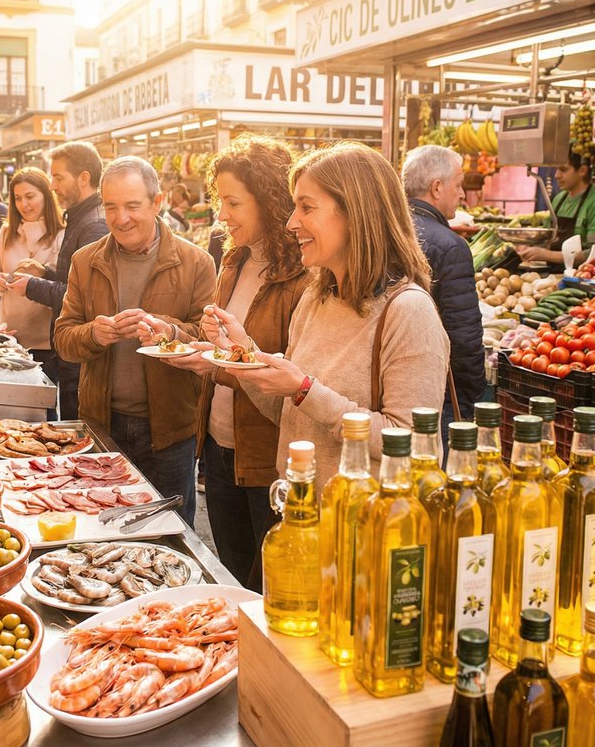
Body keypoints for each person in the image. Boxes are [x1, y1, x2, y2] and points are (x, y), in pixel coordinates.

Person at [217, 142, 451, 487]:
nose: (291, 223)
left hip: (361, 525)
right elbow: (292, 414)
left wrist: (306, 391)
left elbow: (416, 444)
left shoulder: (408, 312)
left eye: (306, 208)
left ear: (355, 212)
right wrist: (248, 359)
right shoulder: (316, 297)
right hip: (302, 514)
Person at [147, 134, 309, 588]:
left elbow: (290, 373)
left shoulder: (303, 277)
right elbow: (218, 342)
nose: (221, 215)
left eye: (233, 202)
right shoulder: (234, 260)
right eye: (221, 201)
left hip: (266, 459)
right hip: (219, 450)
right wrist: (174, 334)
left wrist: (216, 365)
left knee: (268, 588)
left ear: (270, 201)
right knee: (234, 579)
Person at [53, 156, 215, 525]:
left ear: (157, 204)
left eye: (132, 206)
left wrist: (168, 331)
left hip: (170, 432)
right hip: (102, 425)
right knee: (100, 529)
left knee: (169, 531)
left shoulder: (197, 263)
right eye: (111, 207)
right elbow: (63, 338)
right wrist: (94, 333)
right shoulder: (85, 260)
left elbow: (208, 341)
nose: (120, 218)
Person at [401, 145, 485, 431]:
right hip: (439, 393)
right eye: (459, 185)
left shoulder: (386, 232)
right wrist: (471, 392)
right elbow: (463, 335)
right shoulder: (451, 247)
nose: (462, 194)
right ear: (437, 187)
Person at [23, 141, 108, 420]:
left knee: (75, 425)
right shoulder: (79, 218)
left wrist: (31, 286)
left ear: (84, 178)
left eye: (58, 177)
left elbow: (82, 296)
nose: (52, 185)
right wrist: (45, 273)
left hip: (80, 352)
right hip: (69, 348)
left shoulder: (94, 225)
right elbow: (74, 278)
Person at [0, 168, 64, 414]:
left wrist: (40, 275)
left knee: (43, 411)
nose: (24, 204)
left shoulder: (62, 233)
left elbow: (63, 287)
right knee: (12, 411)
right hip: (10, 339)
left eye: (30, 196)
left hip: (46, 343)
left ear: (46, 195)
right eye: (18, 198)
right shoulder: (7, 231)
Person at [514, 149, 595, 267]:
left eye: (563, 170)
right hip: (553, 273)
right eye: (556, 169)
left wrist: (546, 255)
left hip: (581, 277)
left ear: (582, 170)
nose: (556, 175)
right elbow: (547, 238)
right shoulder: (559, 199)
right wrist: (528, 246)